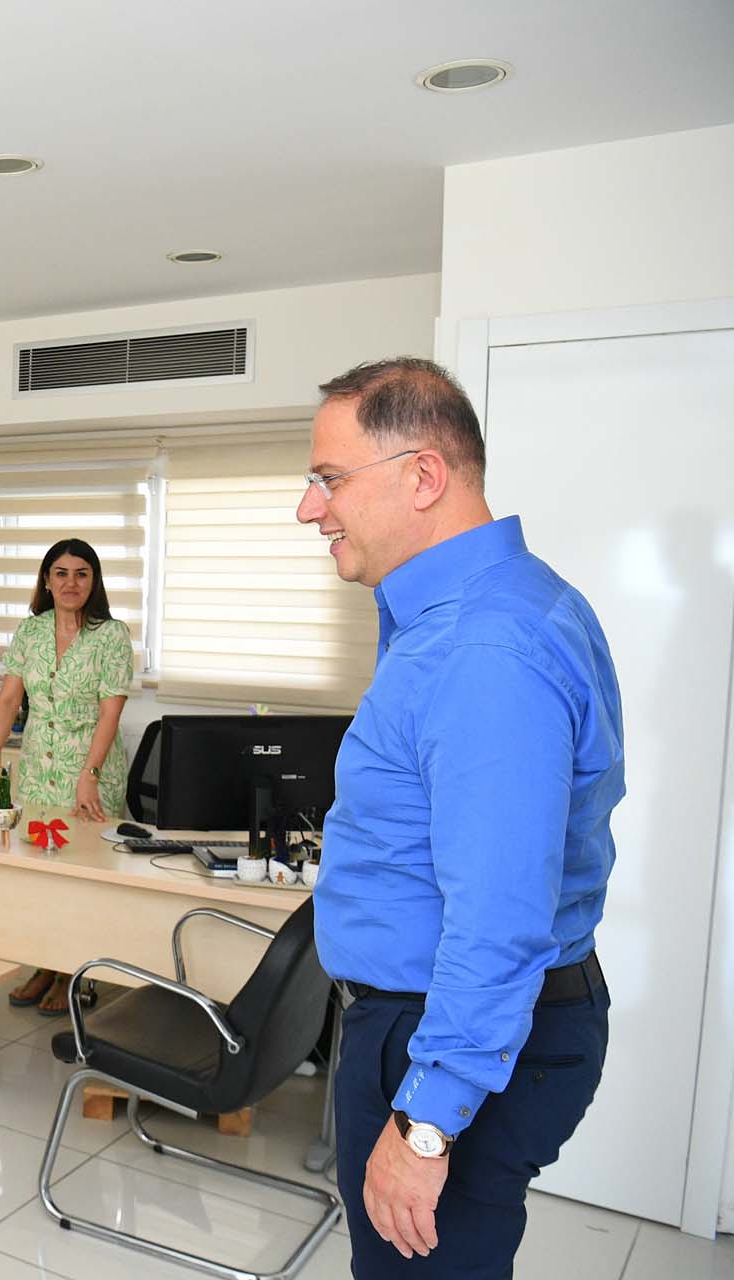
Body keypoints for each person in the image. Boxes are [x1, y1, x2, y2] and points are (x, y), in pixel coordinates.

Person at [299, 358, 621, 1277]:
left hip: (444, 1037)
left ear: (423, 477)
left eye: (329, 479)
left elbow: (498, 916)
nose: (310, 509)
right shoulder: (481, 609)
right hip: (455, 1023)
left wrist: (426, 1124)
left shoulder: (485, 647)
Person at [0, 538, 131, 1017]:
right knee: (38, 874)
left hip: (89, 771)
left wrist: (89, 774)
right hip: (36, 771)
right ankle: (45, 965)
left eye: (81, 573)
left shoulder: (112, 635)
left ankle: (75, 973)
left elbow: (110, 712)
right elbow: (9, 700)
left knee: (81, 877)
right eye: (61, 573)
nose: (71, 583)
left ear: (94, 581)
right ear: (47, 581)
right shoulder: (30, 631)